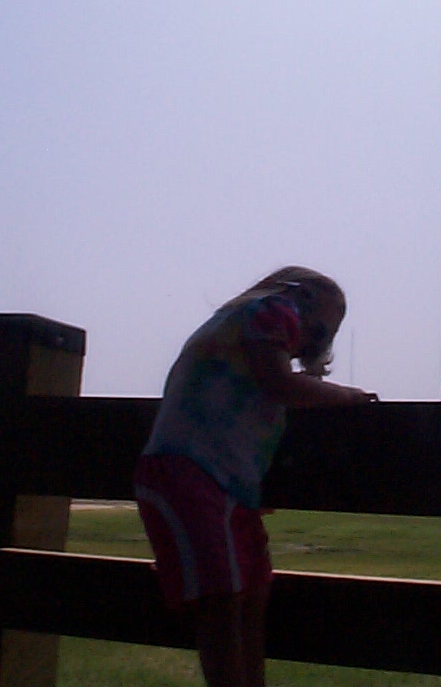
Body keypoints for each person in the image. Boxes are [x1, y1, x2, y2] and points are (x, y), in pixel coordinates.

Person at [134, 266, 378, 687]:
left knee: (247, 594)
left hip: (219, 482)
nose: (319, 339)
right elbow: (279, 384)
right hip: (192, 475)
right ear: (301, 296)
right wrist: (347, 396)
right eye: (324, 328)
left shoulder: (240, 322)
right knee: (224, 603)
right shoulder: (273, 310)